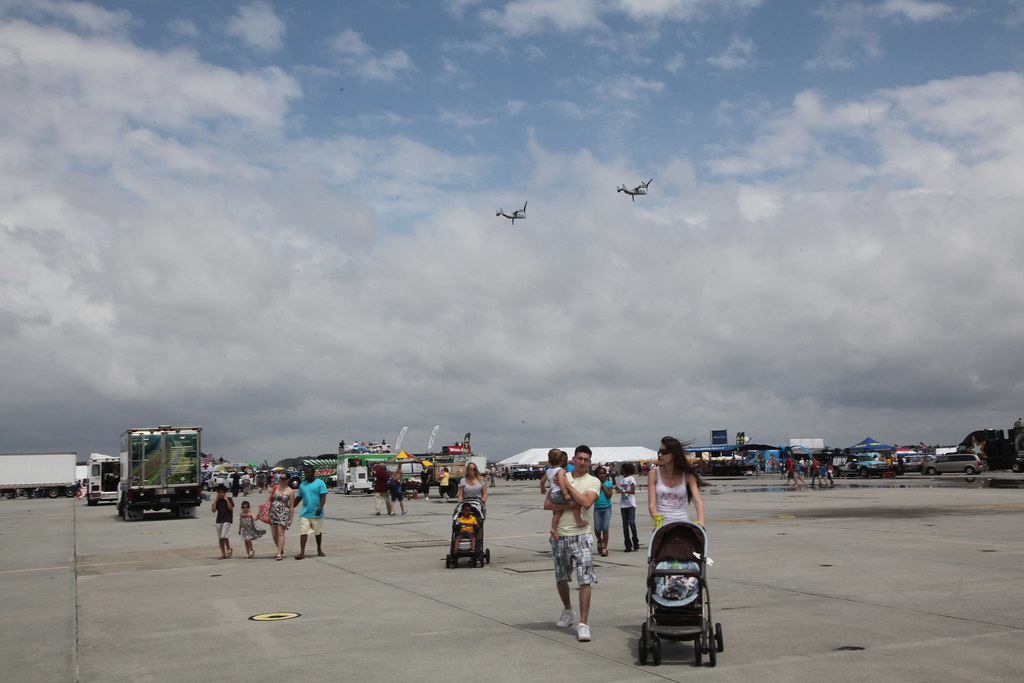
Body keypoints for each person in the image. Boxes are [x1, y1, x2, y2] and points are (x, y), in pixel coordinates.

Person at [544, 445, 601, 643]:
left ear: (590, 462)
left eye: (586, 459)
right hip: (560, 534)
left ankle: (583, 624)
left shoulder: (593, 481)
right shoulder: (561, 474)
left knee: (584, 578)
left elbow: (586, 503)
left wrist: (569, 488)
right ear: (573, 460)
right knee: (561, 577)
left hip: (582, 535)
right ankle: (568, 609)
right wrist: (570, 504)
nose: (583, 462)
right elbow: (547, 504)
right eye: (580, 458)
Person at [648, 437, 706, 528]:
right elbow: (652, 505)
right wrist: (660, 524)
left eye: (664, 452)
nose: (660, 455)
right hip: (661, 526)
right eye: (659, 451)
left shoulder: (688, 476)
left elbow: (698, 502)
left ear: (674, 454)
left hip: (683, 524)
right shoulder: (653, 474)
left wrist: (701, 523)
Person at [542, 448, 586, 538]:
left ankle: (553, 528)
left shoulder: (548, 470)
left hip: (553, 494)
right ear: (560, 460)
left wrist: (542, 488)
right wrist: (565, 493)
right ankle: (579, 521)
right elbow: (562, 482)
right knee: (575, 504)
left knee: (558, 512)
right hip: (560, 493)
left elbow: (542, 481)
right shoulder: (560, 470)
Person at [295, 465, 328, 559]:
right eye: (305, 472)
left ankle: (319, 549)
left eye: (308, 472)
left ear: (313, 473)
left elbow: (323, 496)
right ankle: (302, 553)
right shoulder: (302, 485)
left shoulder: (320, 483)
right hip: (305, 513)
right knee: (303, 532)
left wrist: (320, 507)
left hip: (317, 513)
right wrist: (290, 507)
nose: (306, 474)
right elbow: (298, 498)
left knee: (317, 532)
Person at [266, 472, 295, 561]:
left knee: (280, 533)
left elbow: (291, 506)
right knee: (274, 534)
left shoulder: (290, 491)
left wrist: (290, 519)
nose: (280, 480)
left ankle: (279, 553)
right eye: (280, 478)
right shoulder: (276, 487)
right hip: (273, 512)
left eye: (283, 479)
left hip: (283, 513)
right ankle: (280, 548)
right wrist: (265, 509)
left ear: (287, 480)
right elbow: (269, 499)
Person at [615, 462, 640, 552]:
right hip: (623, 505)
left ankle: (635, 541)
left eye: (621, 469)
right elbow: (621, 489)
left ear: (625, 470)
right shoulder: (622, 480)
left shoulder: (631, 478)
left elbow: (632, 491)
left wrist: (623, 491)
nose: (620, 471)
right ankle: (627, 545)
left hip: (631, 504)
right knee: (625, 525)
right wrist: (618, 490)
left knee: (632, 522)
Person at [592, 466, 613, 556]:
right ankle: (599, 540)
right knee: (597, 529)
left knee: (605, 529)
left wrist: (603, 486)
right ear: (596, 475)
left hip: (607, 508)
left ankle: (604, 547)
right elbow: (594, 496)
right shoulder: (594, 484)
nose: (602, 475)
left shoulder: (608, 484)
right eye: (599, 474)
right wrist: (598, 486)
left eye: (603, 473)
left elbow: (609, 495)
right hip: (597, 508)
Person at [211, 484, 234, 559]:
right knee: (220, 538)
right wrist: (215, 500)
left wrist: (226, 499)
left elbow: (230, 508)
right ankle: (223, 554)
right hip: (219, 520)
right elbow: (213, 510)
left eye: (222, 493)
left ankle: (228, 548)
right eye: (219, 493)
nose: (221, 494)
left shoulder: (229, 499)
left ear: (225, 492)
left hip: (227, 520)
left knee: (224, 535)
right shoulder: (218, 501)